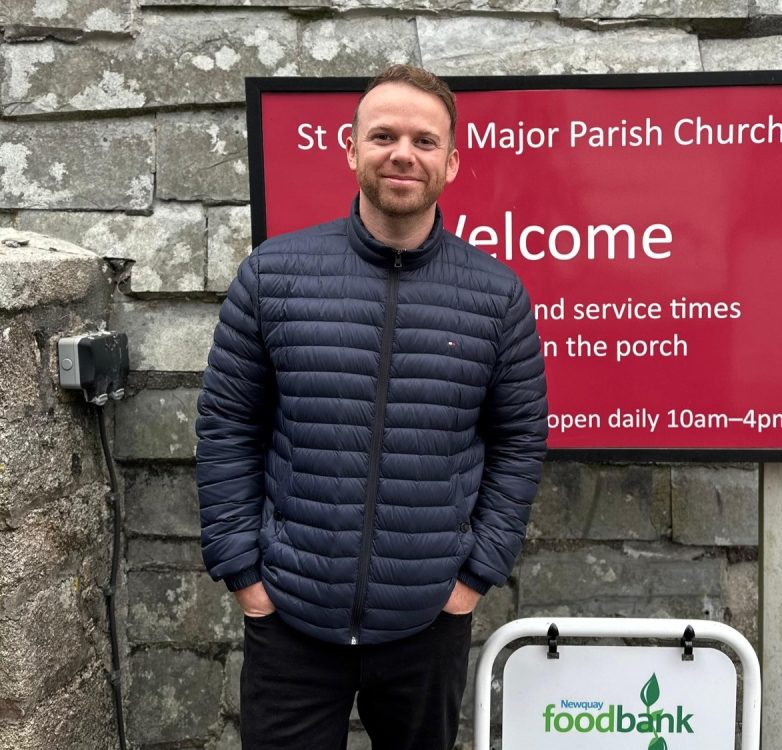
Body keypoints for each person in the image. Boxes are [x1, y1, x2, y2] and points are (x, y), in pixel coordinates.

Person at [195, 65, 548, 750]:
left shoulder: (496, 297)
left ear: (451, 162)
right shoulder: (273, 275)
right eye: (383, 136)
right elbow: (228, 426)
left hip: (427, 622)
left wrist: (474, 578)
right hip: (290, 617)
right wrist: (245, 577)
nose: (402, 154)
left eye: (424, 140)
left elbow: (519, 441)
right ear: (352, 149)